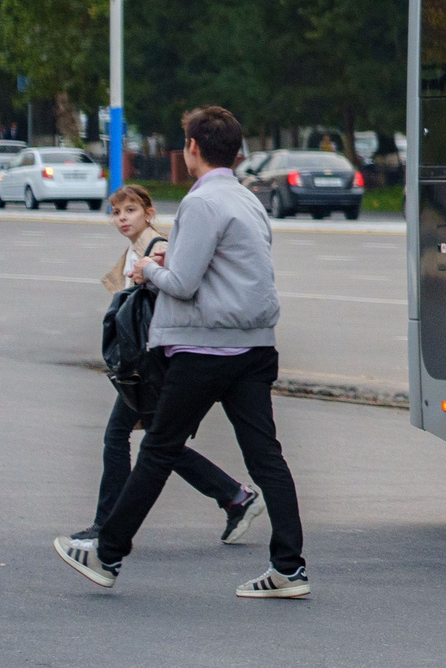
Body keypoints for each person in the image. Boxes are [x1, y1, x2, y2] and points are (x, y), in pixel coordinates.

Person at [56, 104, 309, 598]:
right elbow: (232, 266)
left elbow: (184, 283)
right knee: (266, 459)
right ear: (236, 151)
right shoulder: (247, 199)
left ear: (192, 148)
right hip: (255, 347)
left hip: (205, 349)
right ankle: (289, 568)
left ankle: (106, 554)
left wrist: (147, 269)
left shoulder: (199, 203)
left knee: (157, 450)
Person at [73, 186, 262, 548]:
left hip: (155, 364)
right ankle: (235, 496)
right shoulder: (132, 252)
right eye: (116, 213)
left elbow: (177, 290)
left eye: (130, 210)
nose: (123, 218)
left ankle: (105, 526)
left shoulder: (156, 248)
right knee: (161, 442)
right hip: (144, 362)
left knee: (124, 437)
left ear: (148, 212)